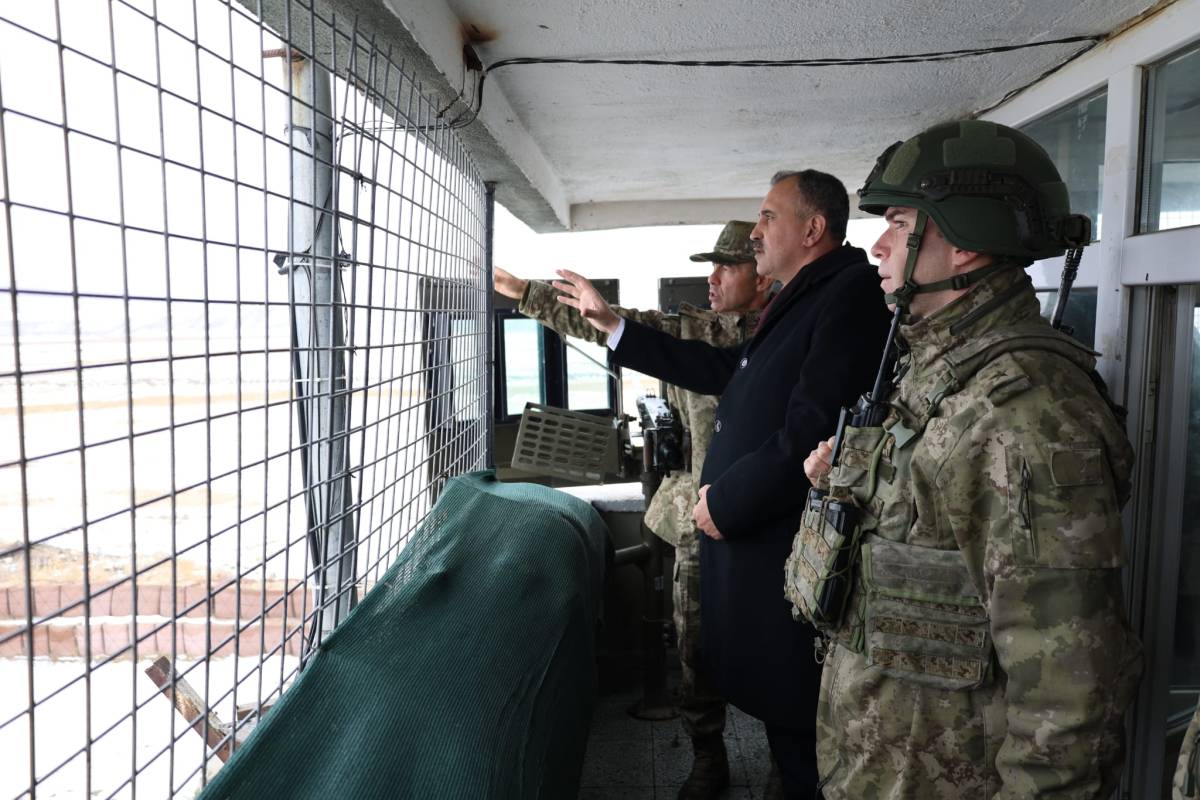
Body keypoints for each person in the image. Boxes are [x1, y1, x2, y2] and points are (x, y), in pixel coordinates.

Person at [796, 119, 1143, 798]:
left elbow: (1069, 689)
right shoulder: (942, 367)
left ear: (962, 244)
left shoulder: (1024, 409)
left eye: (899, 222)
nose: (879, 244)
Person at [552, 171, 890, 798]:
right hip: (761, 539)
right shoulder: (806, 293)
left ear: (811, 229)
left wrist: (725, 502)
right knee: (782, 707)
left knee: (799, 712)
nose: (755, 233)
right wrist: (611, 324)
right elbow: (727, 371)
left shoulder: (846, 295)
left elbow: (815, 428)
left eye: (767, 218)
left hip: (784, 538)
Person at [493, 221, 771, 799]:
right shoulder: (690, 331)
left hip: (773, 521)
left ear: (764, 272)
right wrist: (523, 293)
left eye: (728, 266)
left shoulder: (790, 333)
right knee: (696, 642)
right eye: (710, 267)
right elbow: (606, 325)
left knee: (782, 641)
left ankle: (784, 765)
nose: (713, 278)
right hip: (700, 521)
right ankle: (707, 757)